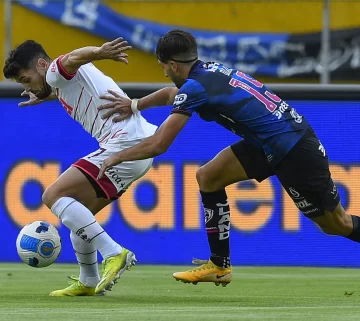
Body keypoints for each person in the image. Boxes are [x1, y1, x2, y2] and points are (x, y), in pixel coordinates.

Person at [97, 29, 357, 287]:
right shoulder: (209, 70)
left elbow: (159, 144)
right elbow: (169, 95)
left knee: (336, 224)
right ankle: (220, 265)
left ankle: (220, 264)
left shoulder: (195, 87)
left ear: (173, 65)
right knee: (208, 176)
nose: (165, 72)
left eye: (164, 67)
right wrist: (133, 105)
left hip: (294, 149)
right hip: (269, 143)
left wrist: (115, 157)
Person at [3, 38, 158, 296]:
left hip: (124, 142)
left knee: (52, 196)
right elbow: (67, 81)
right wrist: (44, 95)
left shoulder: (53, 71)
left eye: (26, 79)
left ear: (41, 65)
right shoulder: (60, 84)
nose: (26, 86)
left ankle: (114, 253)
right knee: (80, 217)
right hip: (139, 147)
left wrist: (99, 52)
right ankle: (89, 281)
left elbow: (72, 57)